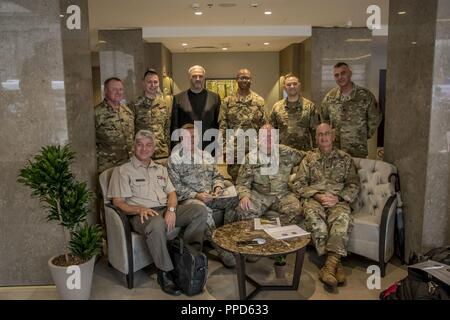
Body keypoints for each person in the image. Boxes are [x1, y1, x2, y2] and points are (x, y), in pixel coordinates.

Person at [108, 130, 208, 296]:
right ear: (134, 147)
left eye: (148, 145)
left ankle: (188, 258)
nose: (144, 149)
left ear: (153, 148)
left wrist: (171, 210)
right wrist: (139, 208)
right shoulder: (122, 171)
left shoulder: (160, 169)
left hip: (164, 209)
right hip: (141, 215)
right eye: (140, 145)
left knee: (199, 210)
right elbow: (118, 202)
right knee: (157, 223)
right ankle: (165, 272)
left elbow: (172, 194)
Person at [290, 123, 360, 288]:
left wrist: (338, 198)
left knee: (342, 219)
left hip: (338, 200)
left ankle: (328, 267)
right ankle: (336, 264)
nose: (323, 137)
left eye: (327, 134)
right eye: (320, 134)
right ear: (316, 138)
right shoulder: (309, 158)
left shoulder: (345, 158)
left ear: (333, 136)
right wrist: (316, 195)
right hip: (315, 200)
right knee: (315, 220)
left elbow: (353, 184)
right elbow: (298, 183)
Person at [167, 124, 239, 268]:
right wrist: (197, 195)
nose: (191, 140)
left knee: (236, 199)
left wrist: (218, 187)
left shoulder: (206, 155)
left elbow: (217, 175)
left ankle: (228, 238)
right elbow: (175, 188)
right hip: (190, 200)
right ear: (181, 138)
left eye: (194, 137)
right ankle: (223, 251)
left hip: (212, 195)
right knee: (202, 209)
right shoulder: (174, 159)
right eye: (187, 137)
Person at [234, 124, 305, 226]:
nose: (268, 139)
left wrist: (298, 176)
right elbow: (242, 183)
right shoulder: (251, 157)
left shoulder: (287, 152)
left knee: (296, 210)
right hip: (259, 194)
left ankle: (281, 237)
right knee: (243, 211)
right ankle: (254, 239)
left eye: (270, 136)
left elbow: (307, 157)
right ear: (258, 139)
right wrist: (244, 196)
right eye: (264, 136)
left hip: (282, 194)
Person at [319, 62, 382, 158]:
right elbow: (324, 119)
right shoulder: (330, 97)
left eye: (343, 73)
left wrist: (361, 134)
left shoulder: (365, 95)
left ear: (350, 73)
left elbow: (375, 118)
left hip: (357, 151)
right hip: (336, 151)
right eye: (336, 75)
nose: (340, 77)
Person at [219, 68, 266, 182]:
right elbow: (223, 126)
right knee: (235, 178)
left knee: (254, 179)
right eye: (241, 77)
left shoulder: (259, 101)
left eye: (247, 78)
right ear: (236, 80)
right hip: (234, 149)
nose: (244, 80)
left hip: (254, 148)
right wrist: (224, 147)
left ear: (251, 80)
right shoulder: (228, 101)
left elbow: (264, 126)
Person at [171, 65, 221, 150]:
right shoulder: (178, 98)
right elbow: (175, 126)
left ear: (204, 78)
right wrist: (175, 147)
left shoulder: (215, 97)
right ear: (189, 78)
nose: (198, 79)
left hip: (209, 147)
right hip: (186, 147)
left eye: (200, 76)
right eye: (194, 76)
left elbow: (218, 124)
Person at [268, 73, 319, 151]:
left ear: (299, 85)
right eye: (289, 85)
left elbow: (315, 133)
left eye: (295, 84)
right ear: (284, 87)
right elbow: (271, 132)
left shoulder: (310, 106)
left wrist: (316, 153)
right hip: (283, 154)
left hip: (304, 155)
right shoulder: (276, 107)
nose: (292, 86)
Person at [94, 77, 134, 173]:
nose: (118, 92)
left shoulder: (127, 111)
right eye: (114, 89)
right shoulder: (96, 113)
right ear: (106, 91)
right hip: (108, 167)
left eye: (120, 89)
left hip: (128, 165)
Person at [133, 69, 171, 163]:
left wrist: (169, 148)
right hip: (142, 153)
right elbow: (131, 131)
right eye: (149, 82)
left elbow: (167, 129)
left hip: (161, 153)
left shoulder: (164, 105)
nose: (153, 85)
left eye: (155, 82)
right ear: (143, 83)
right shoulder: (135, 104)